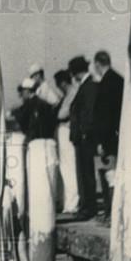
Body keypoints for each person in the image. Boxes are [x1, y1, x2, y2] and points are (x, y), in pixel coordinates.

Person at [90, 50, 124, 220]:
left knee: (109, 176)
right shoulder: (120, 80)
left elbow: (104, 116)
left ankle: (111, 215)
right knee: (115, 175)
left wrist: (100, 142)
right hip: (118, 136)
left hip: (107, 139)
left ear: (97, 64)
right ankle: (114, 213)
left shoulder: (105, 84)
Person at [68, 54, 99, 220]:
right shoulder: (87, 85)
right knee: (85, 173)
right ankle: (87, 206)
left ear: (76, 73)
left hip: (84, 138)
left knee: (85, 174)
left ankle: (88, 207)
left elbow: (88, 112)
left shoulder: (88, 86)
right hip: (82, 136)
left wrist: (84, 133)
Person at [54, 68, 80, 217]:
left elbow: (62, 114)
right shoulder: (69, 94)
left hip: (66, 131)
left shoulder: (72, 93)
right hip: (64, 132)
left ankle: (72, 203)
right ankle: (69, 202)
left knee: (69, 168)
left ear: (63, 83)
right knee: (67, 168)